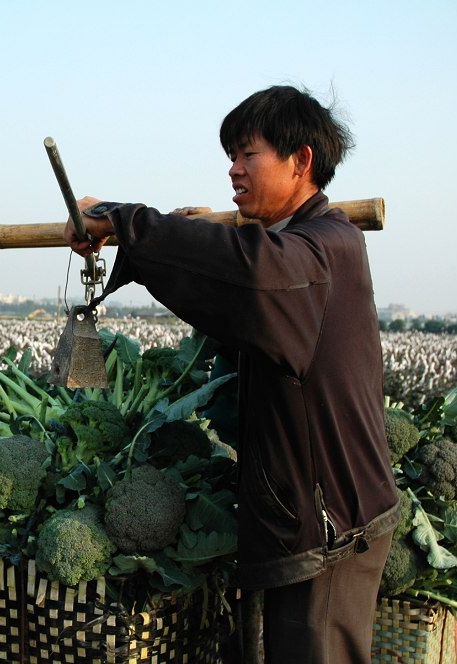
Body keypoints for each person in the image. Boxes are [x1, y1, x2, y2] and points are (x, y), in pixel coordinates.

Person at [64, 85, 398, 663]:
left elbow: (243, 273)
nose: (234, 169)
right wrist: (179, 232)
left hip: (333, 529)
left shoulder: (318, 251)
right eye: (232, 156)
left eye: (249, 154)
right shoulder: (304, 242)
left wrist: (122, 221)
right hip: (321, 513)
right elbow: (235, 268)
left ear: (301, 161)